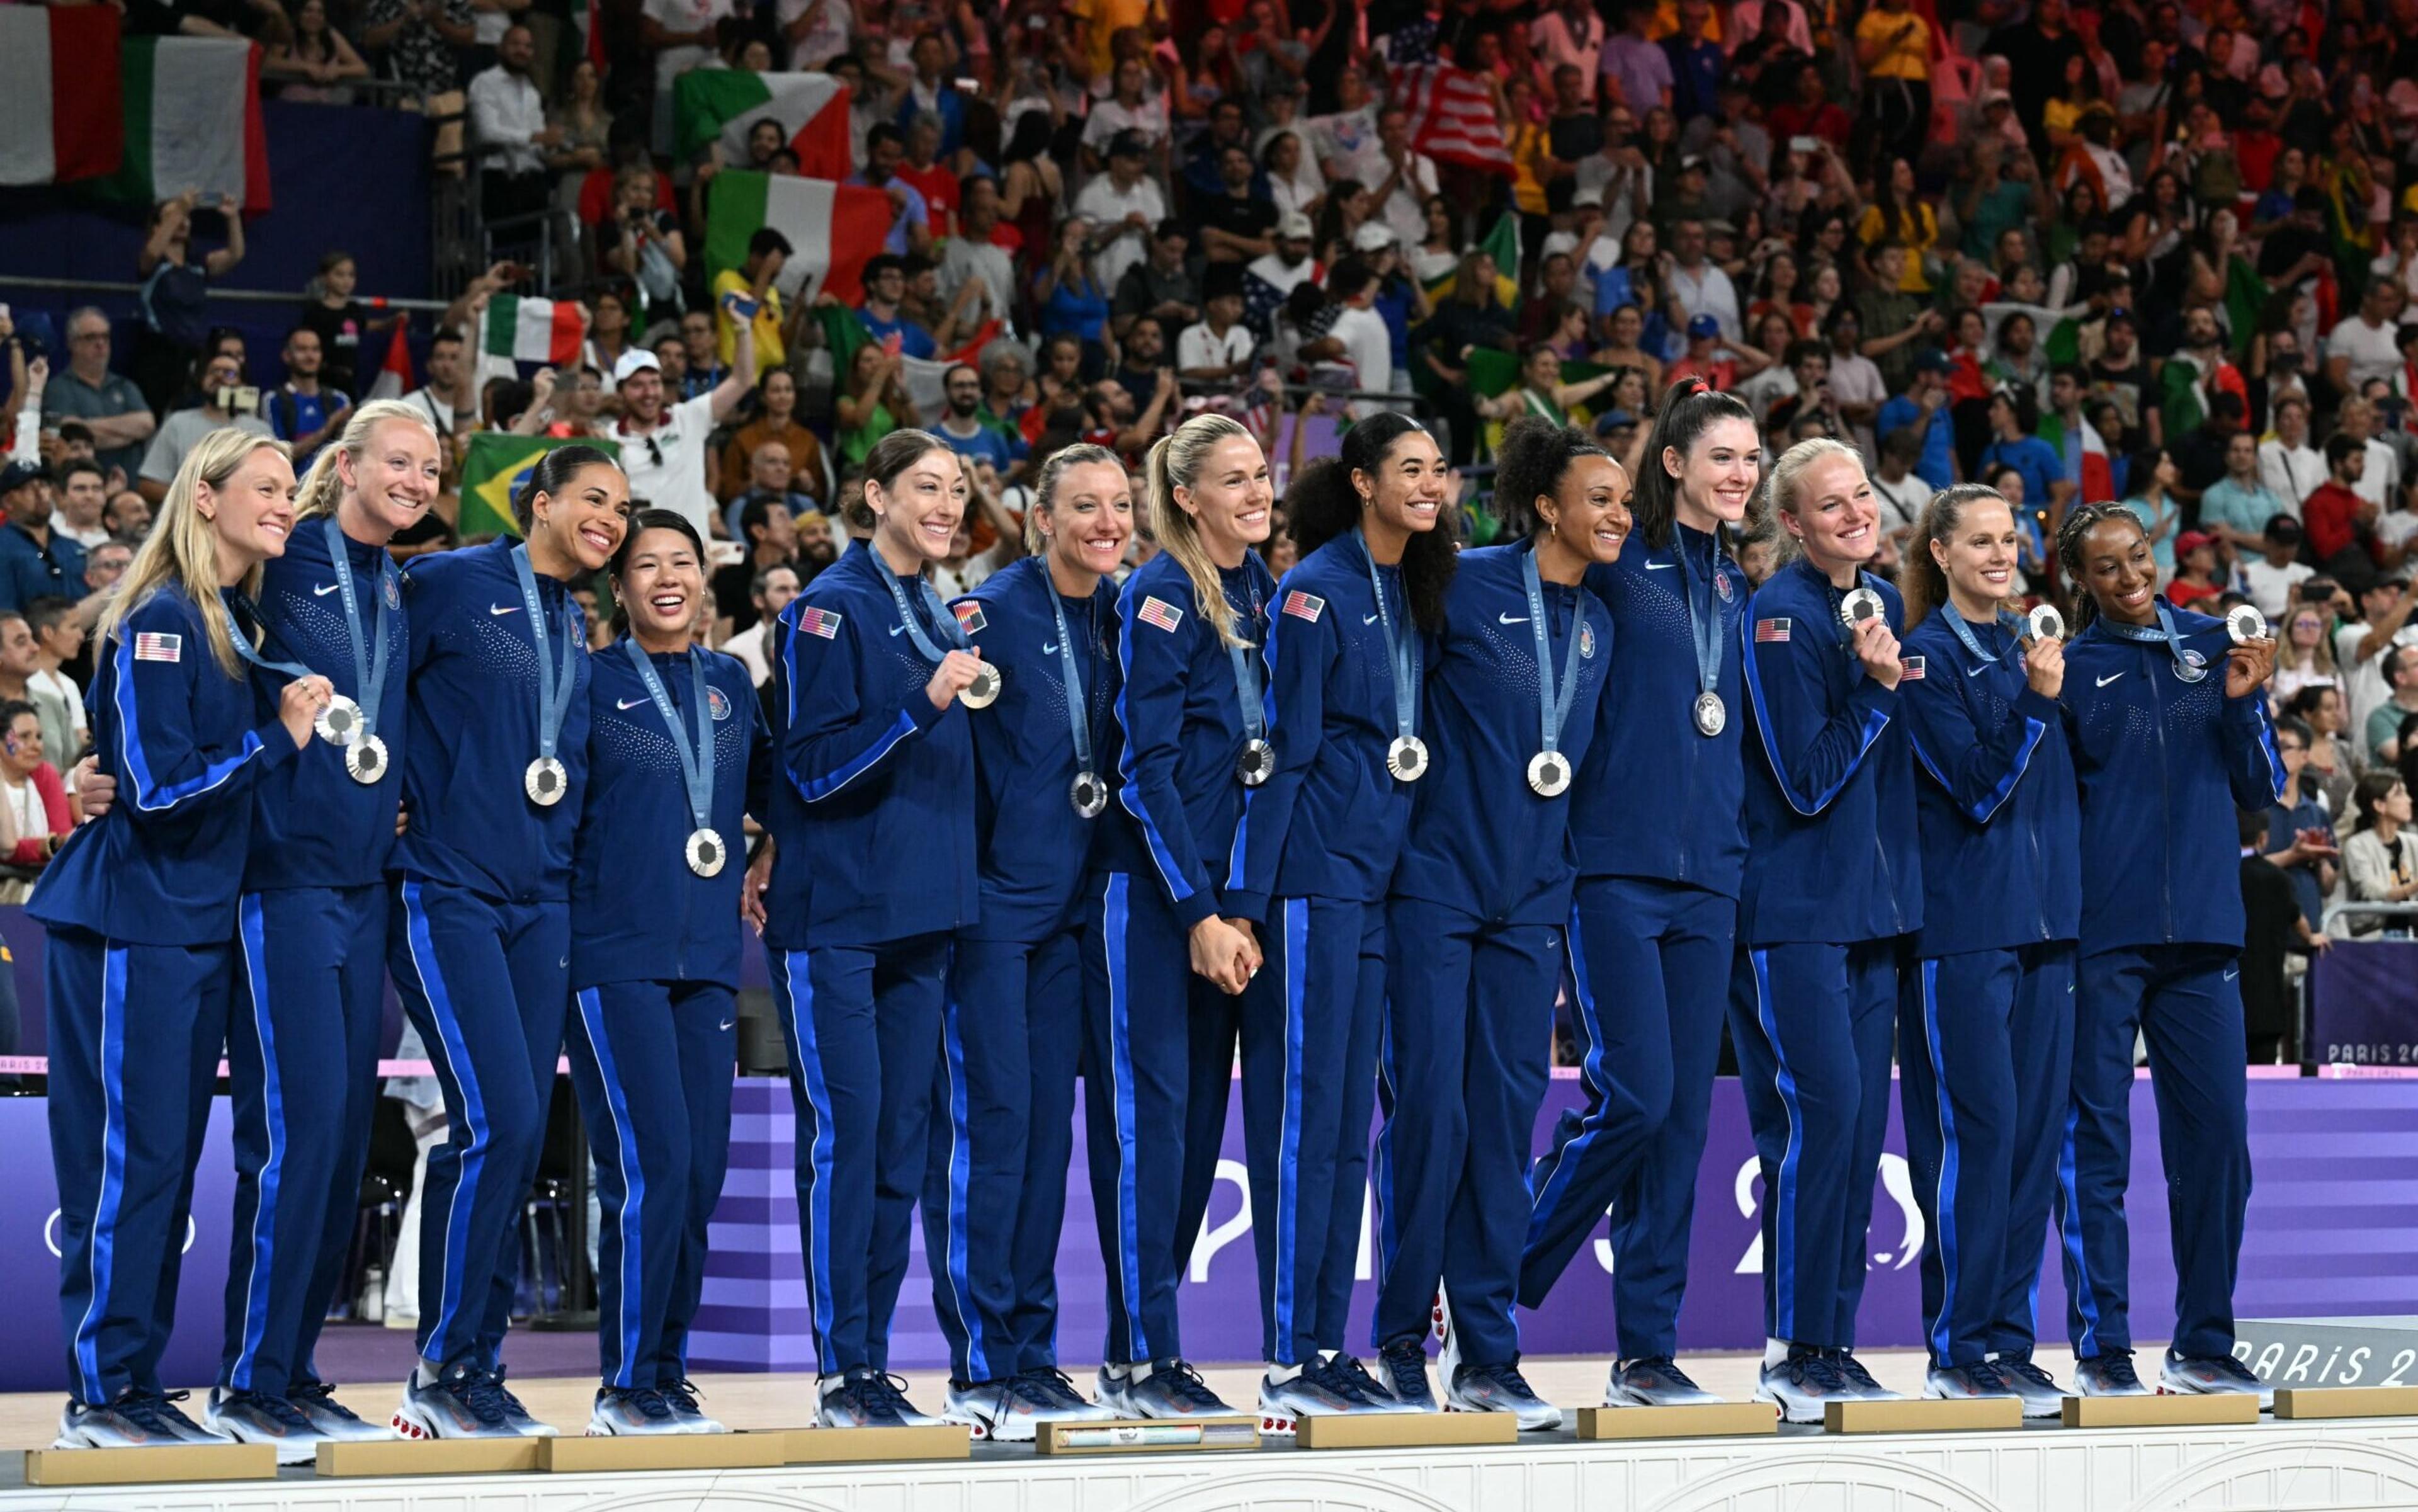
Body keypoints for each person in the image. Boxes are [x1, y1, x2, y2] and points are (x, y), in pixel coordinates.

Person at [33, 430, 334, 1450]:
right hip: (132, 920)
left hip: (195, 922)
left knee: (167, 1156)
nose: (285, 503)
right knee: (137, 1158)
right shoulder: (162, 617)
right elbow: (158, 791)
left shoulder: (232, 618)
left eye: (293, 489)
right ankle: (106, 1392)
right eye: (265, 488)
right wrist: (276, 738)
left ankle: (136, 1385)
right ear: (202, 499)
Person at [1362, 416, 1623, 1426]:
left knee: (1506, 1123)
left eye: (1621, 501)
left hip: (1532, 904)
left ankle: (1487, 1350)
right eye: (1596, 498)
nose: (1614, 515)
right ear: (1546, 503)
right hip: (1434, 887)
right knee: (1430, 1111)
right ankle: (1397, 1341)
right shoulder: (1461, 585)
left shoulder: (1600, 622)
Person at [189, 401, 437, 1459]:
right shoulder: (281, 562)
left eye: (432, 468)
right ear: (345, 465)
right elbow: (188, 626)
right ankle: (248, 1382)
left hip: (366, 884)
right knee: (291, 1139)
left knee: (340, 1140)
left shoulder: (409, 588)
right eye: (398, 461)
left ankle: (290, 1370)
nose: (417, 480)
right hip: (280, 883)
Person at [388, 444, 630, 1440]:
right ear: (540, 504)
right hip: (450, 886)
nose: (610, 519)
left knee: (508, 1131)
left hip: (542, 900)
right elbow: (367, 675)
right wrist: (384, 795)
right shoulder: (446, 581)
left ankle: (472, 1361)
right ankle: (442, 1368)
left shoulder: (575, 622)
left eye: (622, 506)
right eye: (592, 499)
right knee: (500, 1117)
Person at [1521, 380, 1755, 1409]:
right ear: (1673, 462)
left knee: (1685, 1125)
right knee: (1638, 1096)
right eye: (1722, 458)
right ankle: (1493, 1275)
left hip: (1710, 874)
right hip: (1613, 864)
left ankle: (1646, 1350)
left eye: (1752, 459)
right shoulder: (1620, 567)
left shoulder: (1739, 583)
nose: (1740, 474)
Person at [1219, 414, 1455, 1426]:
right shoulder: (1315, 590)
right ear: (1361, 482)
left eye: (1439, 469)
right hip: (1315, 882)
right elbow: (1285, 750)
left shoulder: (1419, 586)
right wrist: (1245, 899)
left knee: (1352, 1130)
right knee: (1311, 1121)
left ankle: (1330, 1340)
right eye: (1409, 469)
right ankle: (1290, 1353)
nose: (1431, 484)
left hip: (1387, 885)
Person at [761, 430, 980, 1430]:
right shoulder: (825, 609)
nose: (945, 503)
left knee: (902, 1150)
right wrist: (921, 703)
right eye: (927, 487)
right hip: (837, 921)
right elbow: (809, 771)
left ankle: (873, 1366)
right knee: (848, 1142)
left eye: (959, 489)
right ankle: (841, 1372)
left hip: (925, 920)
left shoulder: (941, 610)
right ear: (874, 495)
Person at [917, 446, 1131, 1440]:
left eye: (1120, 505)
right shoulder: (987, 614)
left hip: (1081, 913)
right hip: (999, 915)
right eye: (1084, 506)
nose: (1107, 522)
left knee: (1049, 1139)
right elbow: (946, 762)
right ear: (1040, 518)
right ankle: (980, 1362)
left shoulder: (1129, 615)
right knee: (995, 1130)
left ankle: (1035, 1355)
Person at [2052, 502, 2285, 1401]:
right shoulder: (2070, 668)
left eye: (2136, 556)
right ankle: (2103, 1344)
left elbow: (2260, 789)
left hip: (2204, 939)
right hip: (2102, 939)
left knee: (2220, 1144)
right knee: (2096, 1145)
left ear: (2153, 552)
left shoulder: (2216, 644)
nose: (2128, 576)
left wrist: (2243, 703)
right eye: (2105, 567)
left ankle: (2203, 1343)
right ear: (2080, 580)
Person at [1081, 413, 1275, 1421]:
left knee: (1198, 1131)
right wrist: (1197, 908)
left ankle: (1141, 1353)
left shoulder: (1265, 591)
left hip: (1228, 907)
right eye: (1234, 480)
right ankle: (1144, 1357)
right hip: (1156, 903)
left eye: (1262, 476)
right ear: (1188, 497)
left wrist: (1238, 907)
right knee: (1151, 1128)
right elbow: (1142, 771)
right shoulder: (1160, 594)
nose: (1256, 492)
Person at [1730, 436, 1924, 1422]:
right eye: (1830, 505)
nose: (1856, 515)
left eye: (1862, 497)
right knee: (1822, 1121)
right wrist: (1881, 691)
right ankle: (1794, 1348)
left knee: (1854, 1134)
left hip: (1870, 918)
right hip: (1796, 914)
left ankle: (1831, 1344)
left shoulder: (1877, 604)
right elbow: (1805, 779)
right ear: (1793, 523)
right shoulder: (1778, 617)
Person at [565, 510, 771, 1435]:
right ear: (619, 587)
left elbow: (772, 790)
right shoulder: (591, 681)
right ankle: (628, 1383)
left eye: (682, 561)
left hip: (710, 961)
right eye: (645, 564)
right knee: (650, 1168)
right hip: (616, 955)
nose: (666, 577)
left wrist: (770, 857)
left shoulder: (732, 681)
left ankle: (667, 1370)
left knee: (699, 1173)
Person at [1893, 485, 2082, 1415]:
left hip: (2050, 932)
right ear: (1940, 553)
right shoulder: (1925, 660)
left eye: (2010, 539)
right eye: (1981, 541)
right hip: (1966, 932)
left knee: (2035, 1148)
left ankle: (2010, 1340)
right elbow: (1975, 789)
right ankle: (1959, 1345)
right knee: (1980, 1138)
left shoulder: (2028, 645)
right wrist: (2040, 705)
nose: (2001, 554)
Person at [610, 320, 754, 542]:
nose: (649, 393)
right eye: (637, 385)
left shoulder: (689, 418)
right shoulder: (609, 439)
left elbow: (742, 380)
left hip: (691, 555)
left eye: (654, 383)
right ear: (620, 392)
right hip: (639, 556)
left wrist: (743, 328)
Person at [2340, 772, 2418, 936]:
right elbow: (2372, 891)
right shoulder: (2357, 845)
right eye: (2399, 794)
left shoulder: (2413, 842)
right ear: (2379, 805)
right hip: (2374, 938)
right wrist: (2413, 887)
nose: (2409, 800)